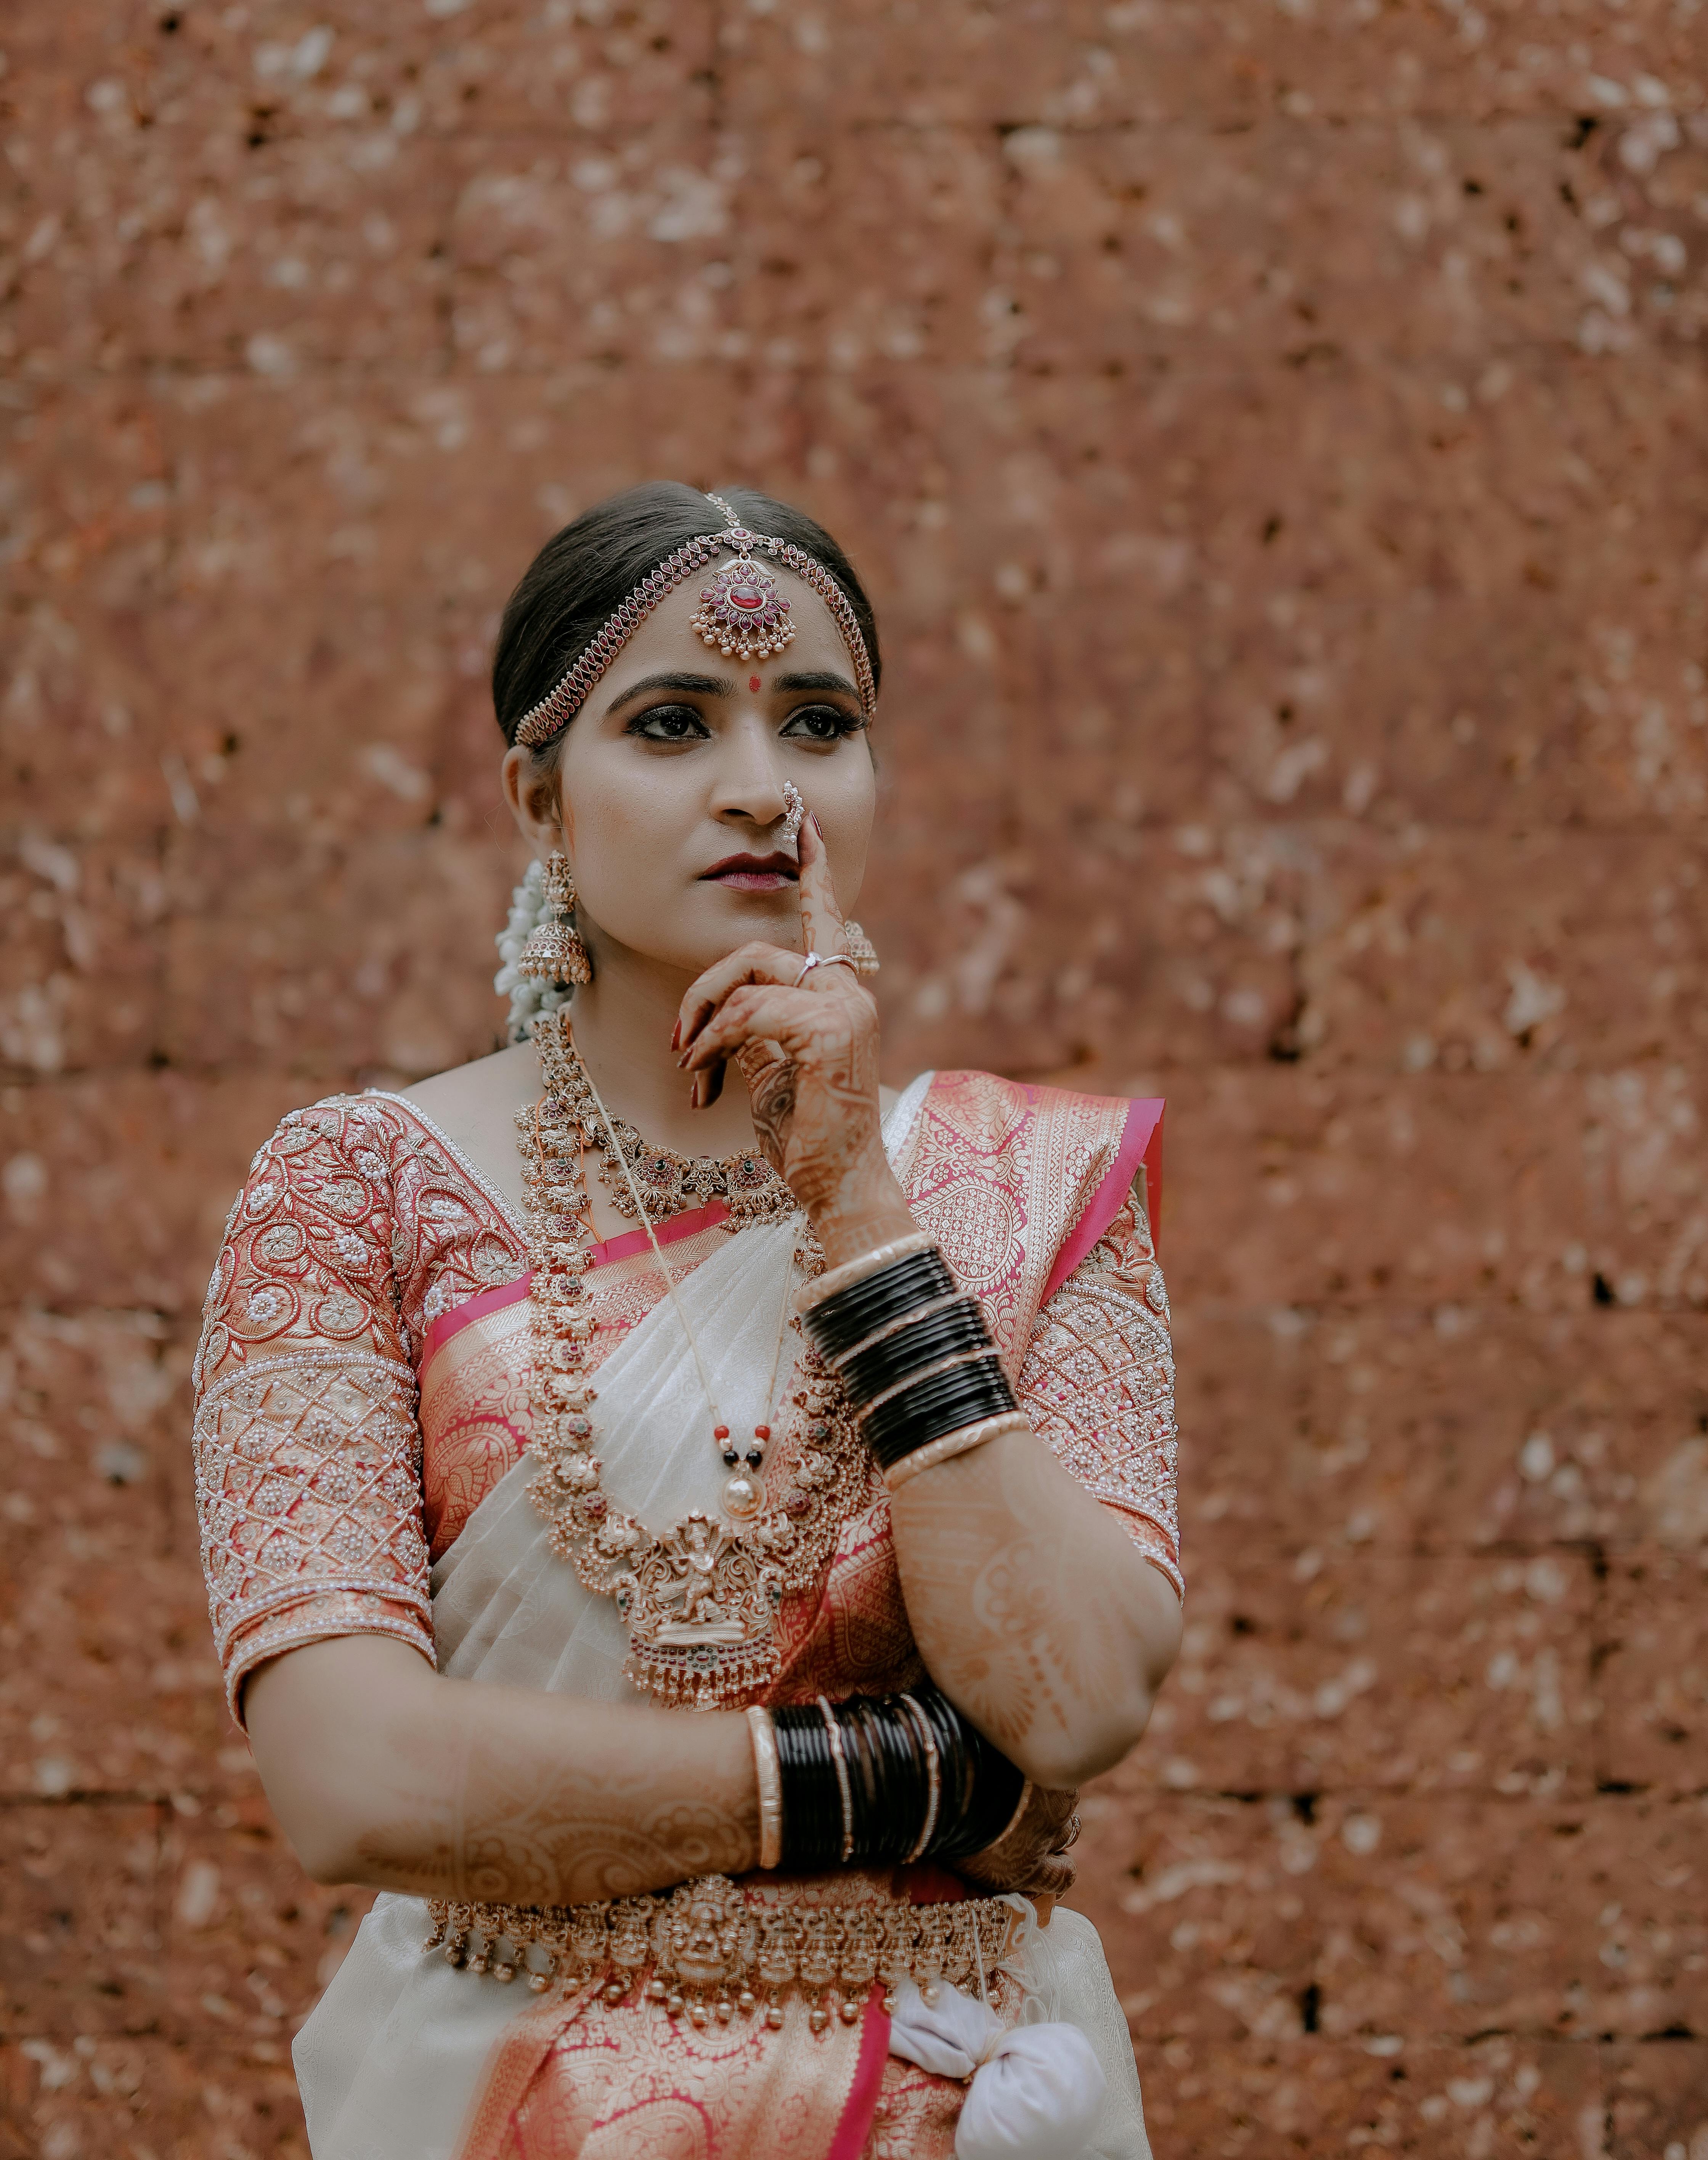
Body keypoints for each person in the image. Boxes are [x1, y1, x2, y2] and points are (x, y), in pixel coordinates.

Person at [192, 482, 1183, 2160]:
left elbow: (1079, 1694)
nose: (761, 789)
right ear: (537, 797)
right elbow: (354, 1775)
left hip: (953, 2103)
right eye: (669, 724)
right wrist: (899, 1782)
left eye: (819, 723)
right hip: (528, 2108)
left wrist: (858, 1210)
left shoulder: (1023, 1183)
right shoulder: (358, 1189)